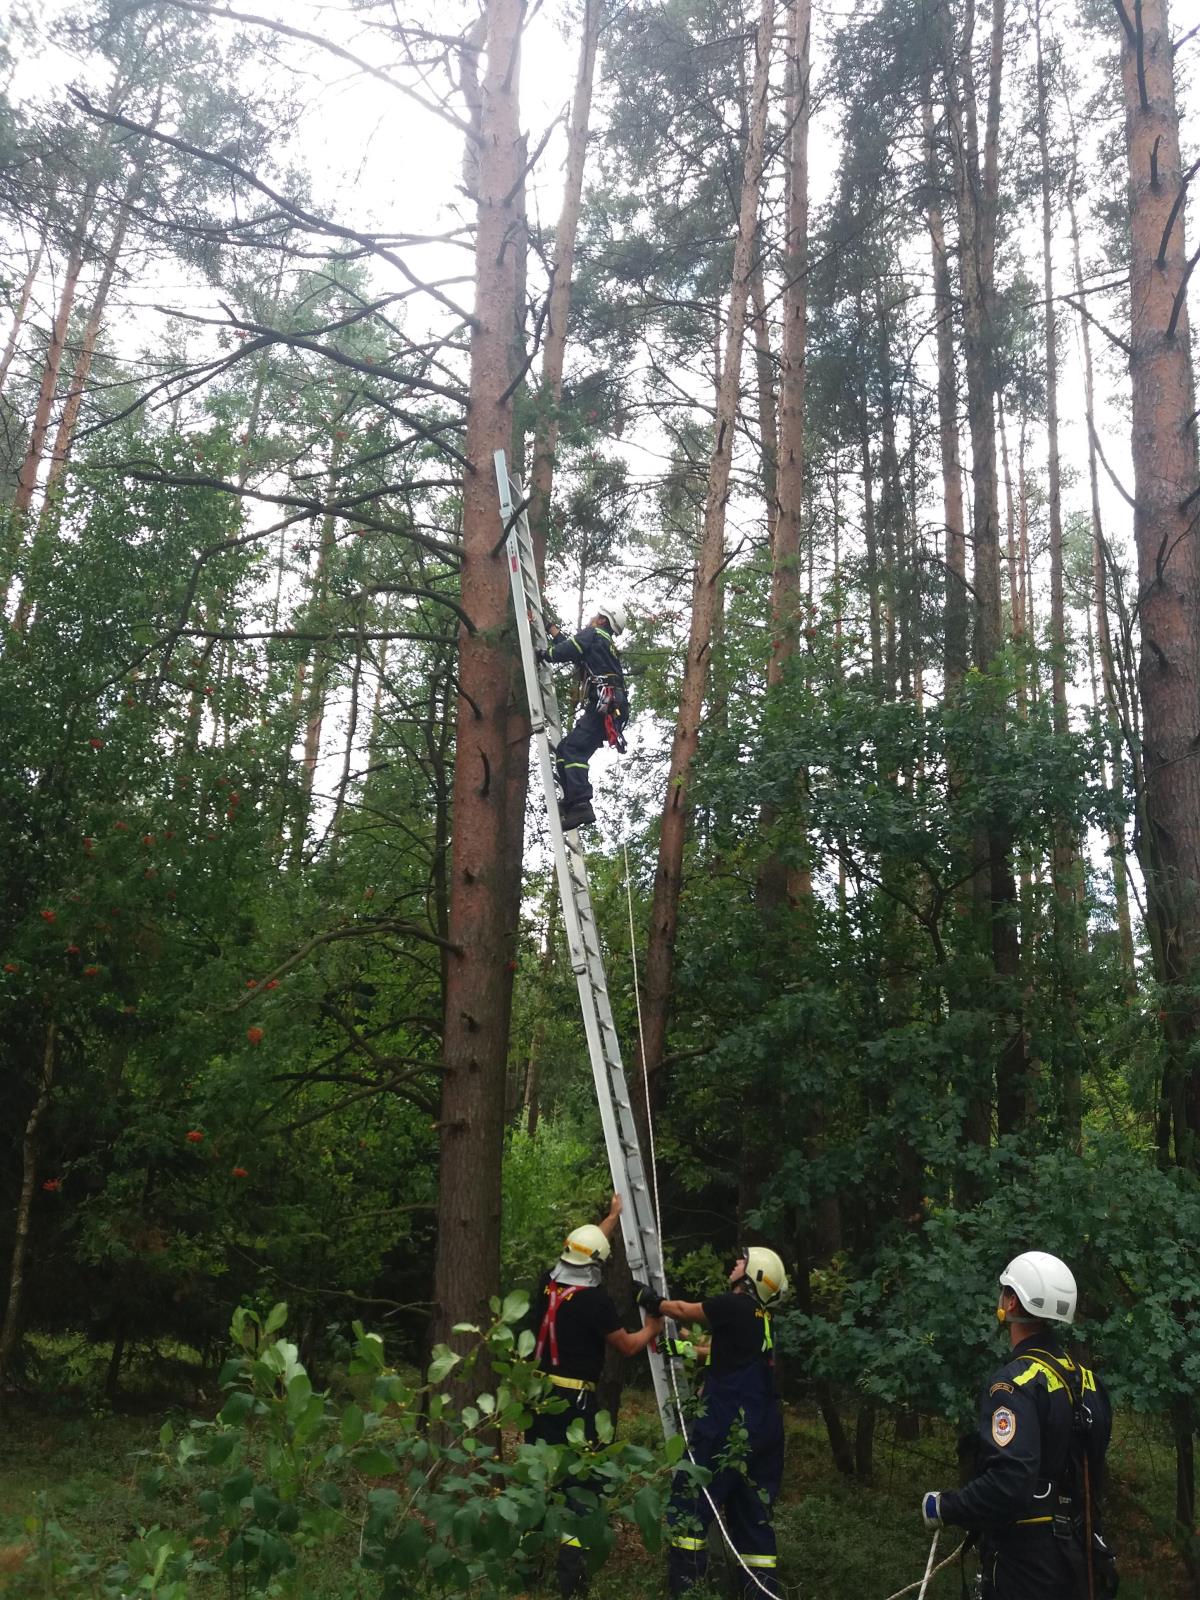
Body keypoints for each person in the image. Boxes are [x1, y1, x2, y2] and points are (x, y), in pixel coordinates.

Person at [920, 1250, 1116, 1600]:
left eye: (1004, 1291)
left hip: (1028, 1568)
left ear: (1010, 1302)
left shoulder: (1014, 1384)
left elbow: (1008, 1484)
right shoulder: (1088, 1382)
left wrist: (945, 1507)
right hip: (1082, 1558)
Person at [526, 1193, 663, 1597]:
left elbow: (584, 1251)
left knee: (536, 1479)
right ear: (598, 1265)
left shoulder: (548, 1285)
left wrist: (613, 1217)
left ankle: (525, 1571)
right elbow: (627, 1346)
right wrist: (653, 1330)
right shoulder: (595, 1301)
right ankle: (572, 1583)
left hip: (541, 1398)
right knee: (578, 1486)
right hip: (576, 1405)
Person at [640, 1246, 788, 1598]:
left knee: (692, 1500)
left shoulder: (734, 1305)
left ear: (754, 1276)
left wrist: (652, 1301)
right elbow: (724, 1351)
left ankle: (688, 1590)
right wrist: (682, 1350)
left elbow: (684, 1311)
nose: (736, 1263)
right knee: (753, 1519)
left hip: (727, 1424)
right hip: (765, 1432)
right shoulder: (760, 1318)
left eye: (743, 1262)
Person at [535, 599, 629, 832]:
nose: (592, 618)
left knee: (573, 750)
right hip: (610, 705)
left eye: (596, 615)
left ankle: (581, 804)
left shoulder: (594, 634)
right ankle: (573, 802)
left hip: (605, 704)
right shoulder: (602, 643)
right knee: (567, 750)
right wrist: (552, 629)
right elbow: (575, 648)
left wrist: (543, 654)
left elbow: (568, 650)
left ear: (602, 620)